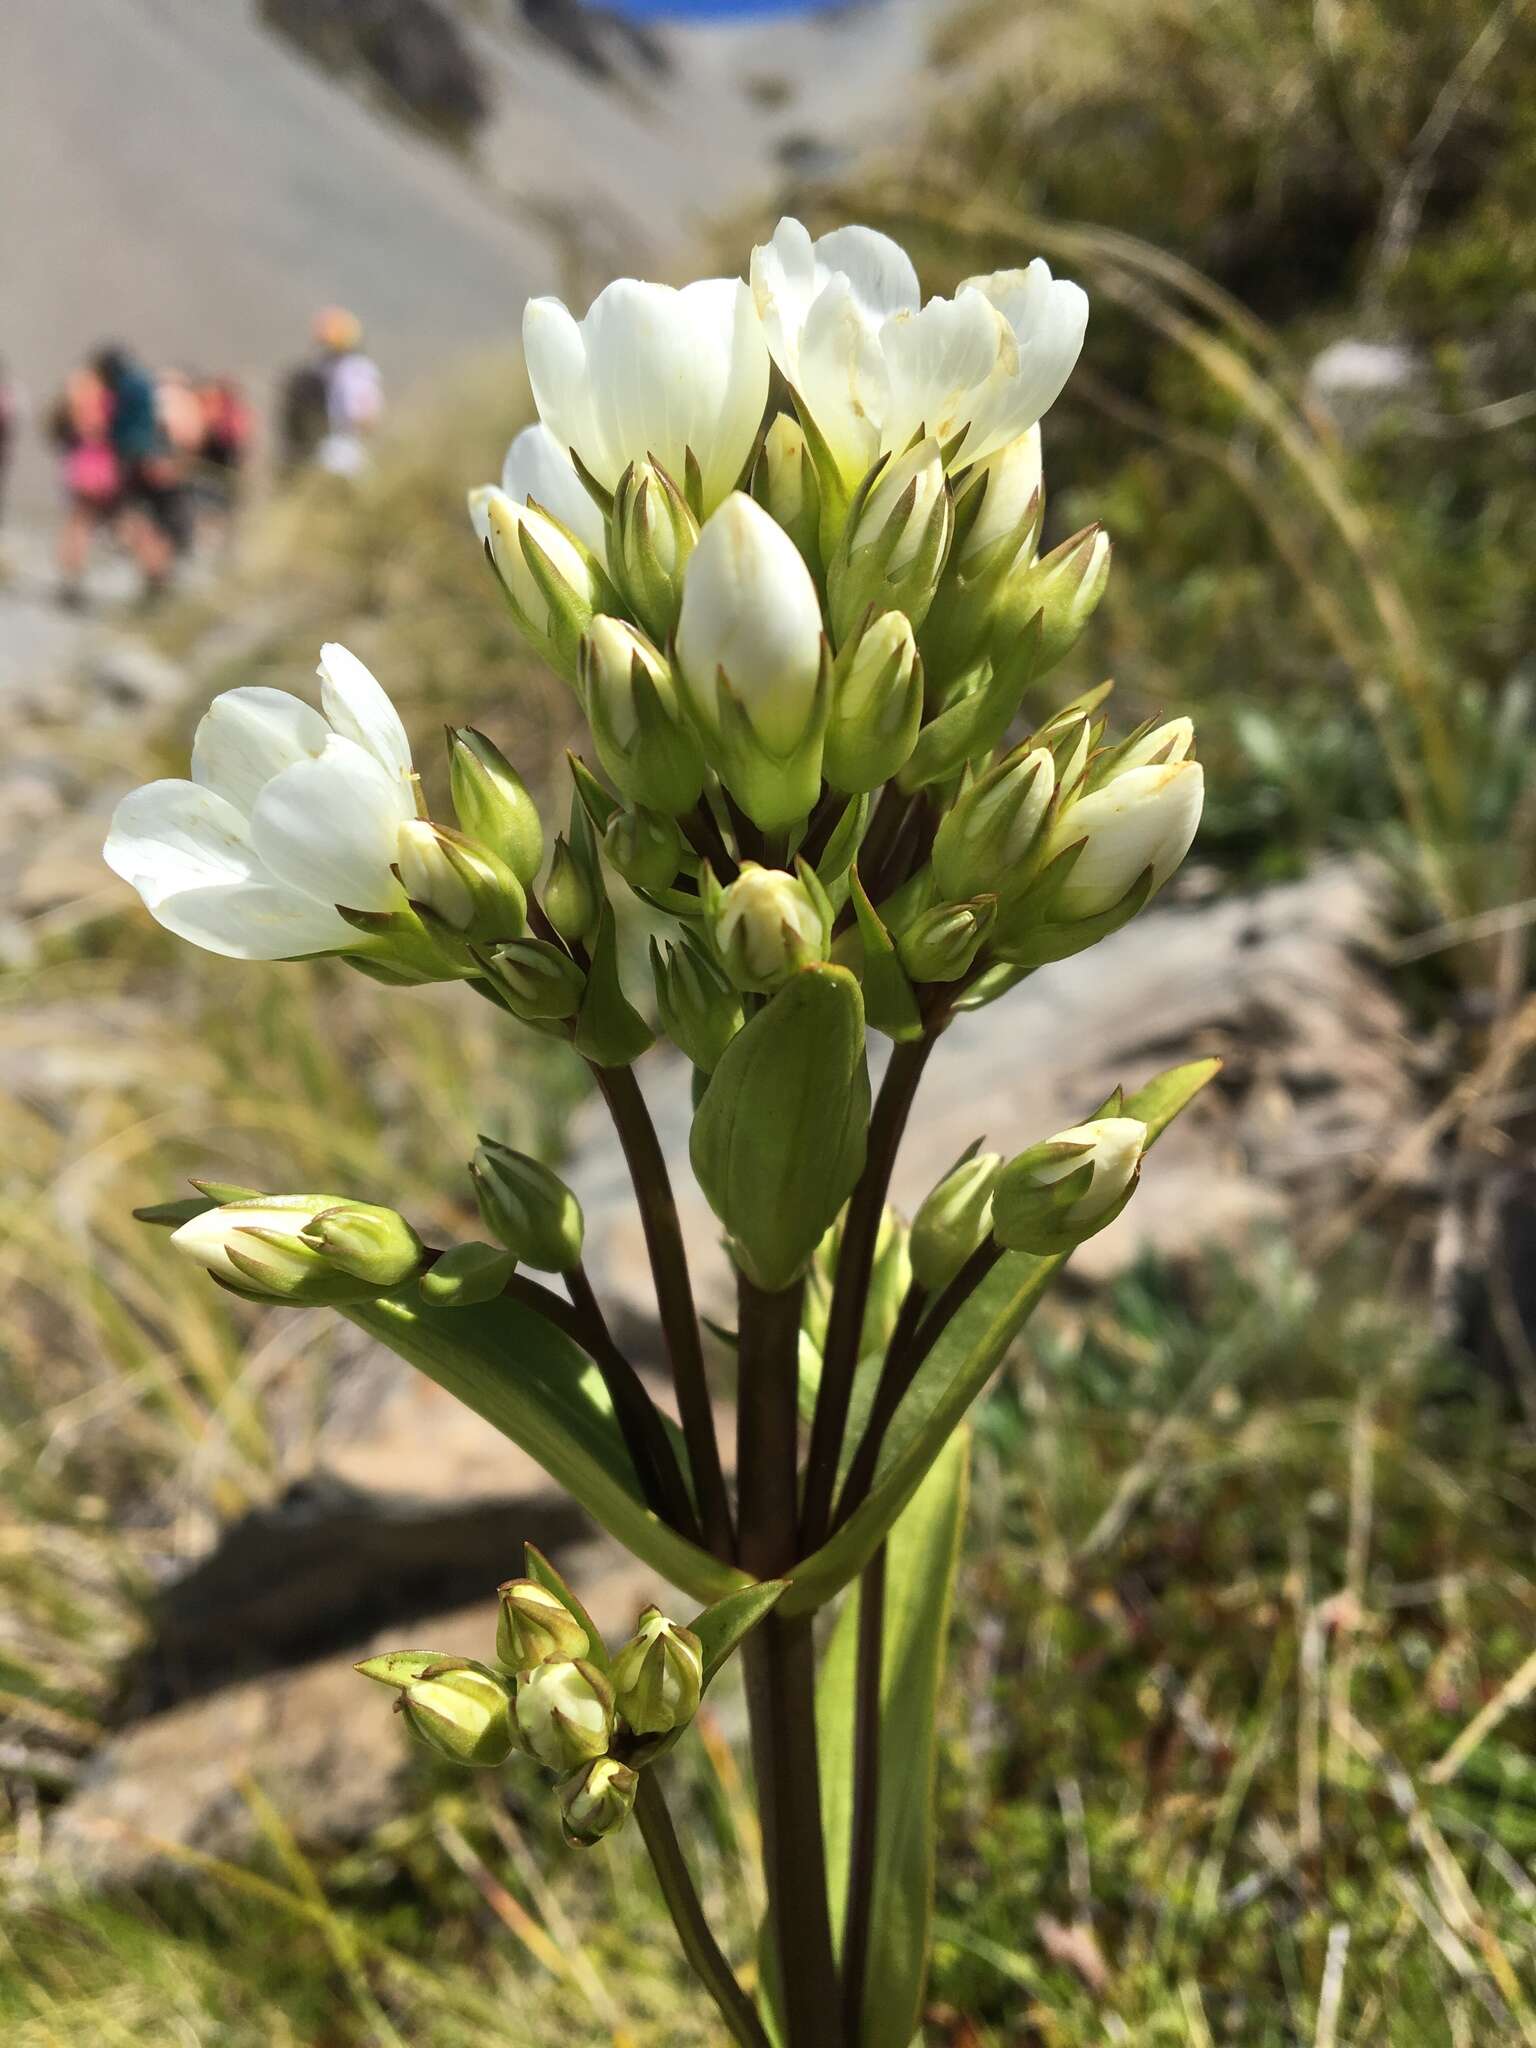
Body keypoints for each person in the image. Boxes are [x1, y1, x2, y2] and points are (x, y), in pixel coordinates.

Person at [94, 344, 179, 601]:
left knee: (137, 516)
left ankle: (152, 576)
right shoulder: (147, 382)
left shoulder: (123, 387)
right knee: (160, 519)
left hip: (133, 457)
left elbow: (113, 423)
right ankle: (160, 576)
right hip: (156, 456)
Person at [277, 308, 382, 479]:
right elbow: (368, 417)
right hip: (340, 451)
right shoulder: (357, 370)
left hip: (331, 452)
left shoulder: (347, 370)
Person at [50, 360, 121, 608]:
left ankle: (67, 576)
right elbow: (105, 429)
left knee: (74, 521)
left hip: (76, 462)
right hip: (96, 464)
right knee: (83, 523)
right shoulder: (102, 399)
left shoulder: (74, 396)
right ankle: (74, 579)